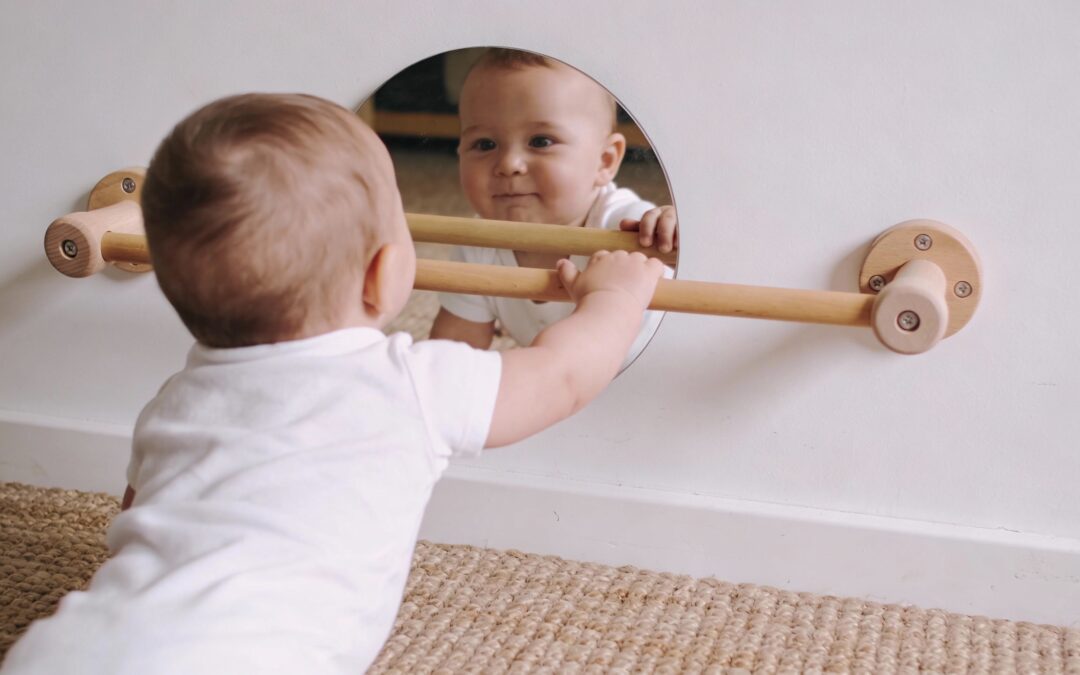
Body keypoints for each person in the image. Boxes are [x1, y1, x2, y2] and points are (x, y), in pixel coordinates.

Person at [0, 93, 663, 674]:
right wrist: (616, 298)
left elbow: (138, 516)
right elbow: (562, 376)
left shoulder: (174, 399)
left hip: (66, 647)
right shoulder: (412, 383)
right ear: (383, 275)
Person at [430, 48, 678, 365]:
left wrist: (670, 226)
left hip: (660, 377)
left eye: (541, 141)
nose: (509, 164)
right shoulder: (477, 246)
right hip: (564, 386)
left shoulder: (625, 226)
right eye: (485, 144)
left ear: (605, 161)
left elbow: (685, 251)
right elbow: (450, 357)